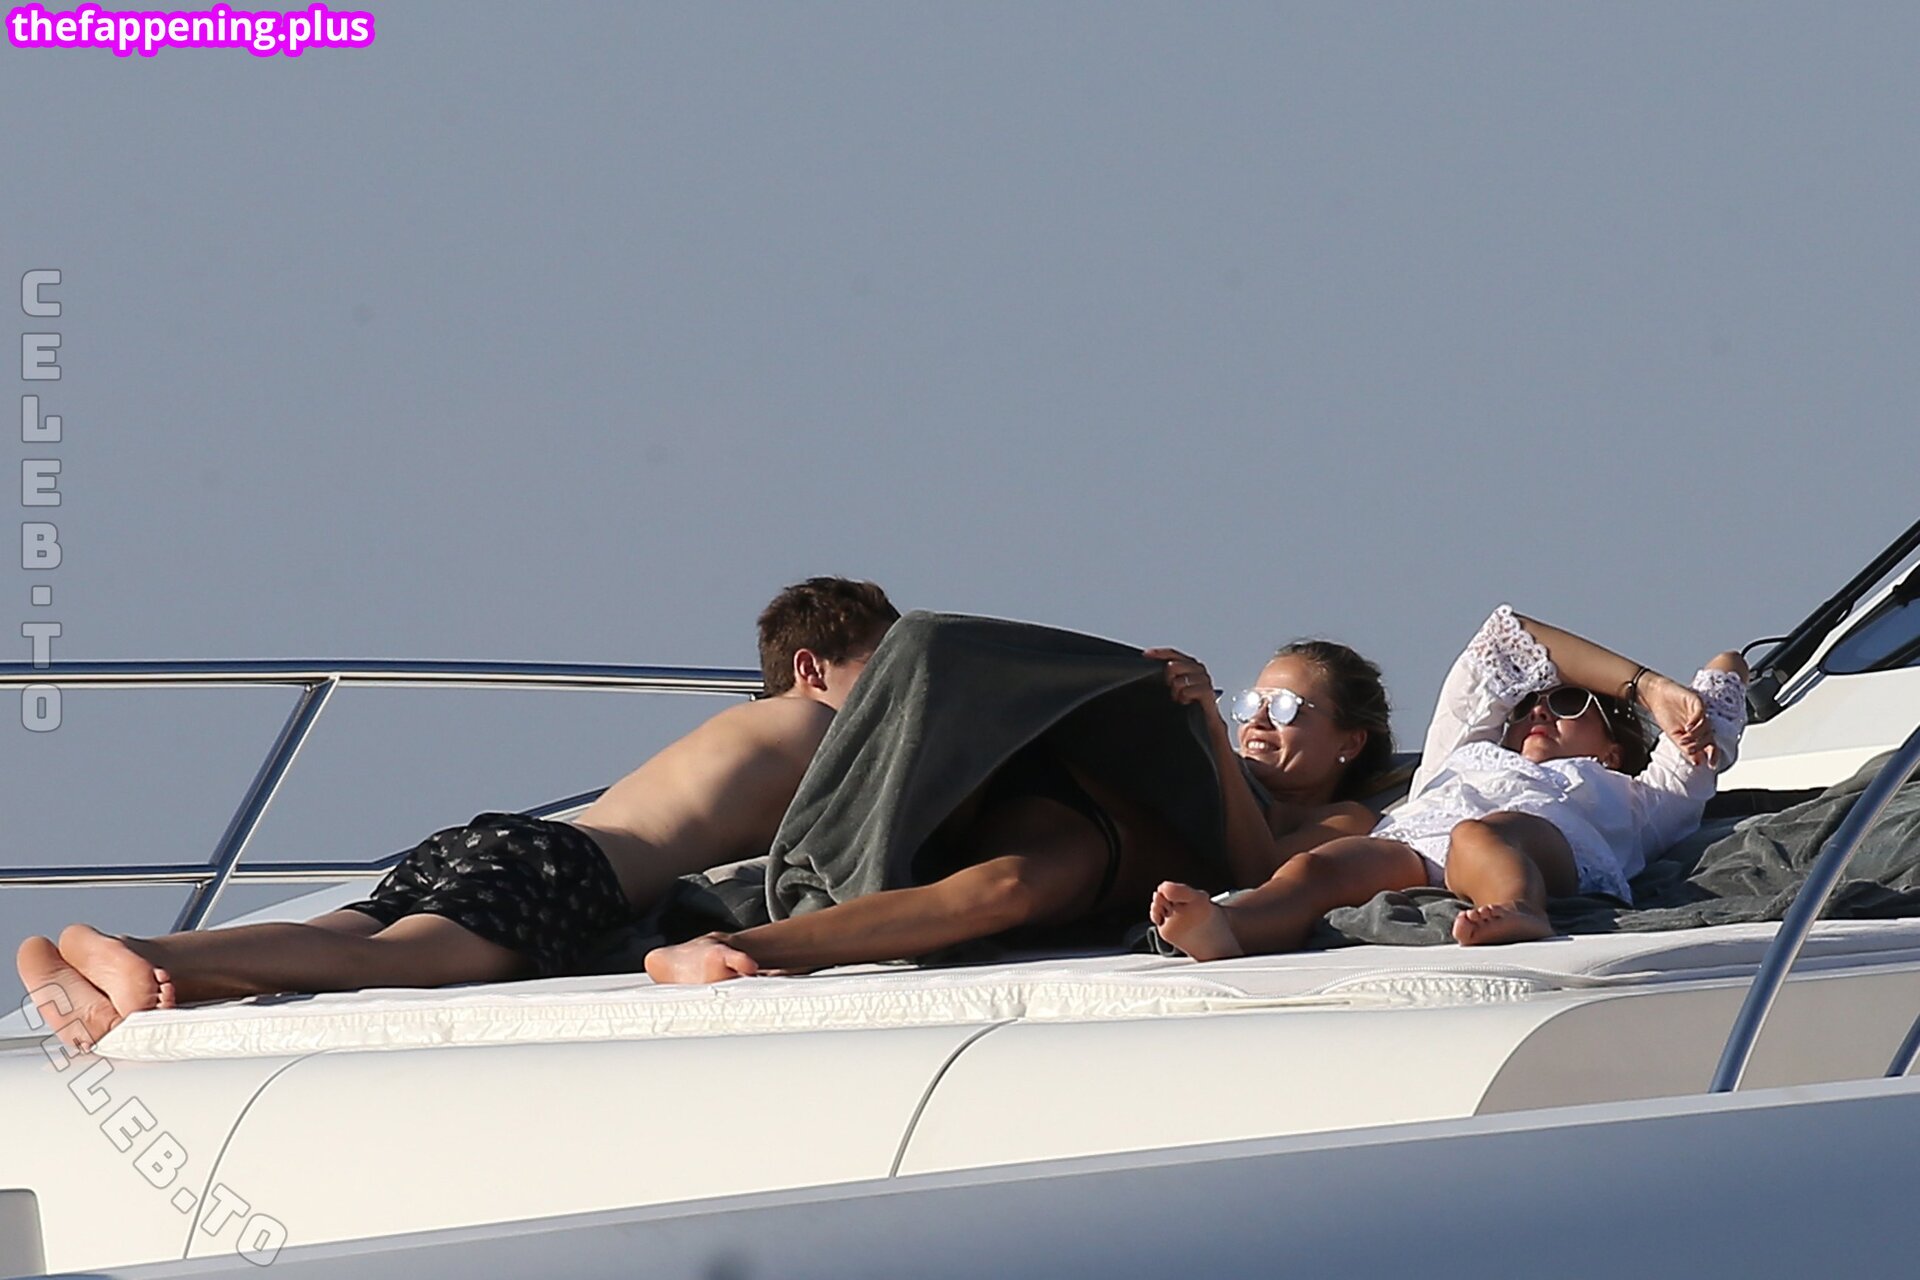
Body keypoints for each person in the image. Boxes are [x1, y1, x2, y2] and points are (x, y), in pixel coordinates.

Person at [16, 577, 900, 1053]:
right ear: (812, 668)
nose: (898, 698)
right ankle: (142, 952)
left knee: (340, 939)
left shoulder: (740, 729)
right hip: (568, 872)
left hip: (505, 844)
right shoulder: (819, 731)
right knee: (388, 964)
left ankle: (86, 959)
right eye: (883, 669)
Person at [643, 620, 1396, 983]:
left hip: (1102, 840)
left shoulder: (1343, 821)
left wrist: (1209, 733)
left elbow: (1257, 870)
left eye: (1287, 710)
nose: (1259, 721)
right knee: (936, 653)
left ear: (1351, 741)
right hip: (1065, 781)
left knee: (1000, 891)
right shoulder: (1209, 754)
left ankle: (737, 948)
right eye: (1251, 704)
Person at [1152, 605, 1750, 959]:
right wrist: (1641, 682)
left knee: (1483, 834)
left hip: (1540, 847)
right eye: (1526, 706)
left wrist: (1666, 695)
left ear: (1615, 748)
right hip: (1414, 845)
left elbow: (1723, 682)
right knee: (1323, 866)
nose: (1538, 711)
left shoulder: (1642, 797)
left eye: (1568, 703)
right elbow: (1502, 639)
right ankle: (1233, 925)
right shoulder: (1462, 756)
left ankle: (1517, 908)